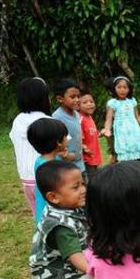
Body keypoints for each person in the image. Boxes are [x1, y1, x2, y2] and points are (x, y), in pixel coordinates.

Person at [10, 77, 52, 216]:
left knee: (39, 216)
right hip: (46, 178)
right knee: (53, 216)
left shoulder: (18, 120)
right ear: (43, 98)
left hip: (26, 179)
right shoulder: (47, 121)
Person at [100, 76, 140, 162]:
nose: (122, 90)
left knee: (137, 153)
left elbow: (137, 117)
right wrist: (107, 129)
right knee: (125, 155)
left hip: (134, 131)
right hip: (122, 133)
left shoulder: (132, 101)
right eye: (119, 87)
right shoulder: (113, 103)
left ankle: (139, 168)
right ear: (114, 88)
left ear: (129, 89)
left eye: (125, 87)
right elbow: (108, 120)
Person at [27, 118, 69, 224]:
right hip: (50, 216)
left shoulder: (43, 159)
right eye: (65, 137)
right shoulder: (48, 166)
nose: (67, 139)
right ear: (58, 143)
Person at [52, 79, 85, 173]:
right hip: (66, 168)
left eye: (78, 96)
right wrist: (66, 155)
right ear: (60, 98)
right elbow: (57, 144)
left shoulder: (76, 114)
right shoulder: (57, 118)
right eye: (72, 97)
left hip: (80, 165)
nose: (77, 100)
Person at [78, 91, 102, 180]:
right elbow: (79, 139)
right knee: (91, 182)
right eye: (85, 102)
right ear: (78, 105)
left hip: (94, 156)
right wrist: (85, 149)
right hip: (87, 159)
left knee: (96, 179)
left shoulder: (89, 117)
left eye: (91, 102)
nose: (89, 104)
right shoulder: (80, 119)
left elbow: (91, 134)